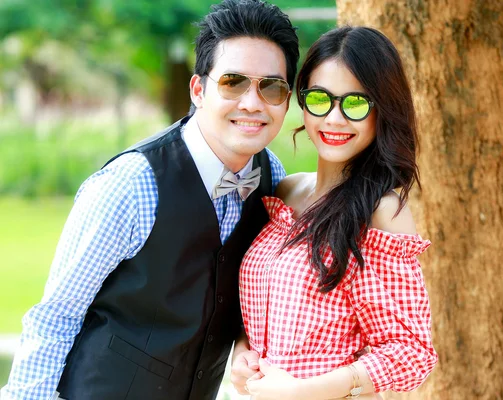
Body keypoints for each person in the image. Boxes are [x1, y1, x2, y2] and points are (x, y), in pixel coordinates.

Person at [1, 1, 299, 399]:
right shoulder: (131, 184)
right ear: (198, 89)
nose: (252, 102)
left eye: (271, 87)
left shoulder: (271, 176)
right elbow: (55, 316)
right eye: (233, 82)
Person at [230, 26, 438, 399]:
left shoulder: (381, 211)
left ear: (382, 110)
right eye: (321, 99)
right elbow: (271, 304)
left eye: (355, 103)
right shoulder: (286, 190)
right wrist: (244, 351)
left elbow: (411, 352)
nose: (335, 119)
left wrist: (304, 390)